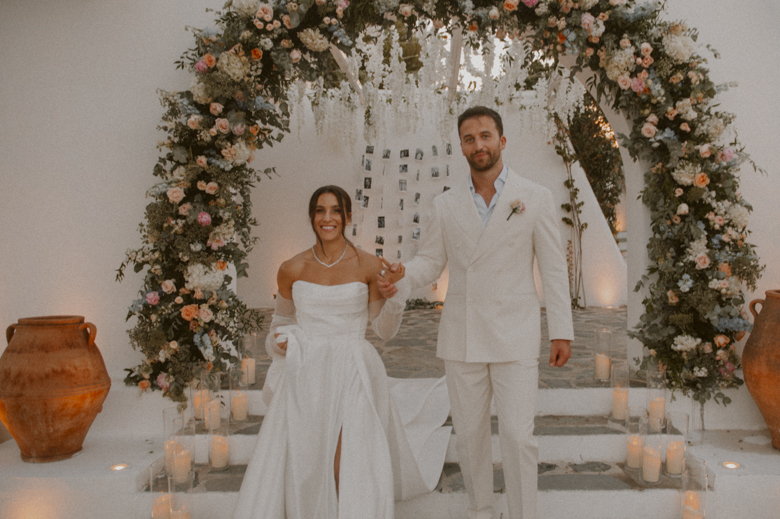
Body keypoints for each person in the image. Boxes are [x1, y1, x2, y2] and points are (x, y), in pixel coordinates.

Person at [379, 107, 574, 519]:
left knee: (518, 437)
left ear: (501, 141)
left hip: (516, 335)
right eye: (469, 139)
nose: (478, 145)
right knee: (470, 437)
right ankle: (480, 510)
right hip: (462, 336)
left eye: (485, 136)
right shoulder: (446, 204)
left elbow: (554, 269)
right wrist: (403, 274)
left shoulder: (535, 196)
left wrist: (562, 331)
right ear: (462, 147)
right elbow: (430, 262)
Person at [232, 185, 451, 519]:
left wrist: (394, 298)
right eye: (320, 210)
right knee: (310, 463)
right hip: (307, 373)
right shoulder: (292, 268)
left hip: (352, 370)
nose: (328, 218)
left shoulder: (368, 265)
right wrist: (280, 342)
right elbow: (279, 324)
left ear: (348, 217)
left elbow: (384, 331)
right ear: (312, 216)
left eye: (336, 210)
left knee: (345, 464)